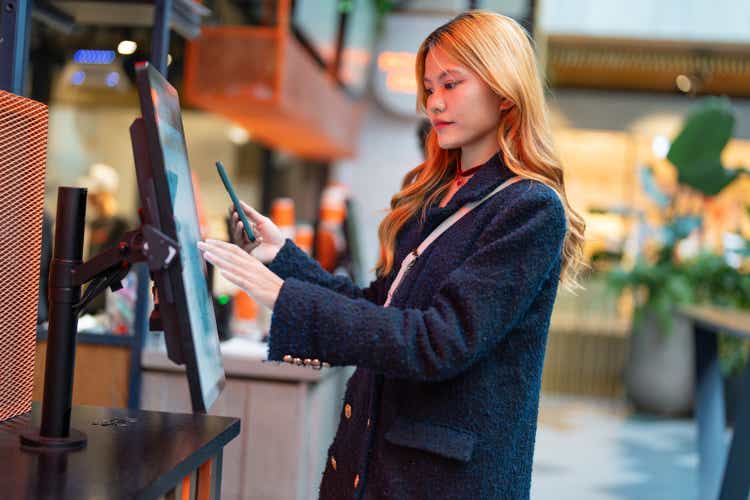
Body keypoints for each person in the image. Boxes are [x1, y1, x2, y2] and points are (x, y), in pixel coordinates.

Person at [198, 10, 586, 499]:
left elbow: (436, 342)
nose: (434, 103)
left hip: (441, 483)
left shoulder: (529, 208)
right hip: (379, 464)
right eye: (429, 87)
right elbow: (377, 308)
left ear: (504, 90)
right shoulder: (438, 195)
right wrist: (282, 257)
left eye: (451, 84)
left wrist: (286, 297)